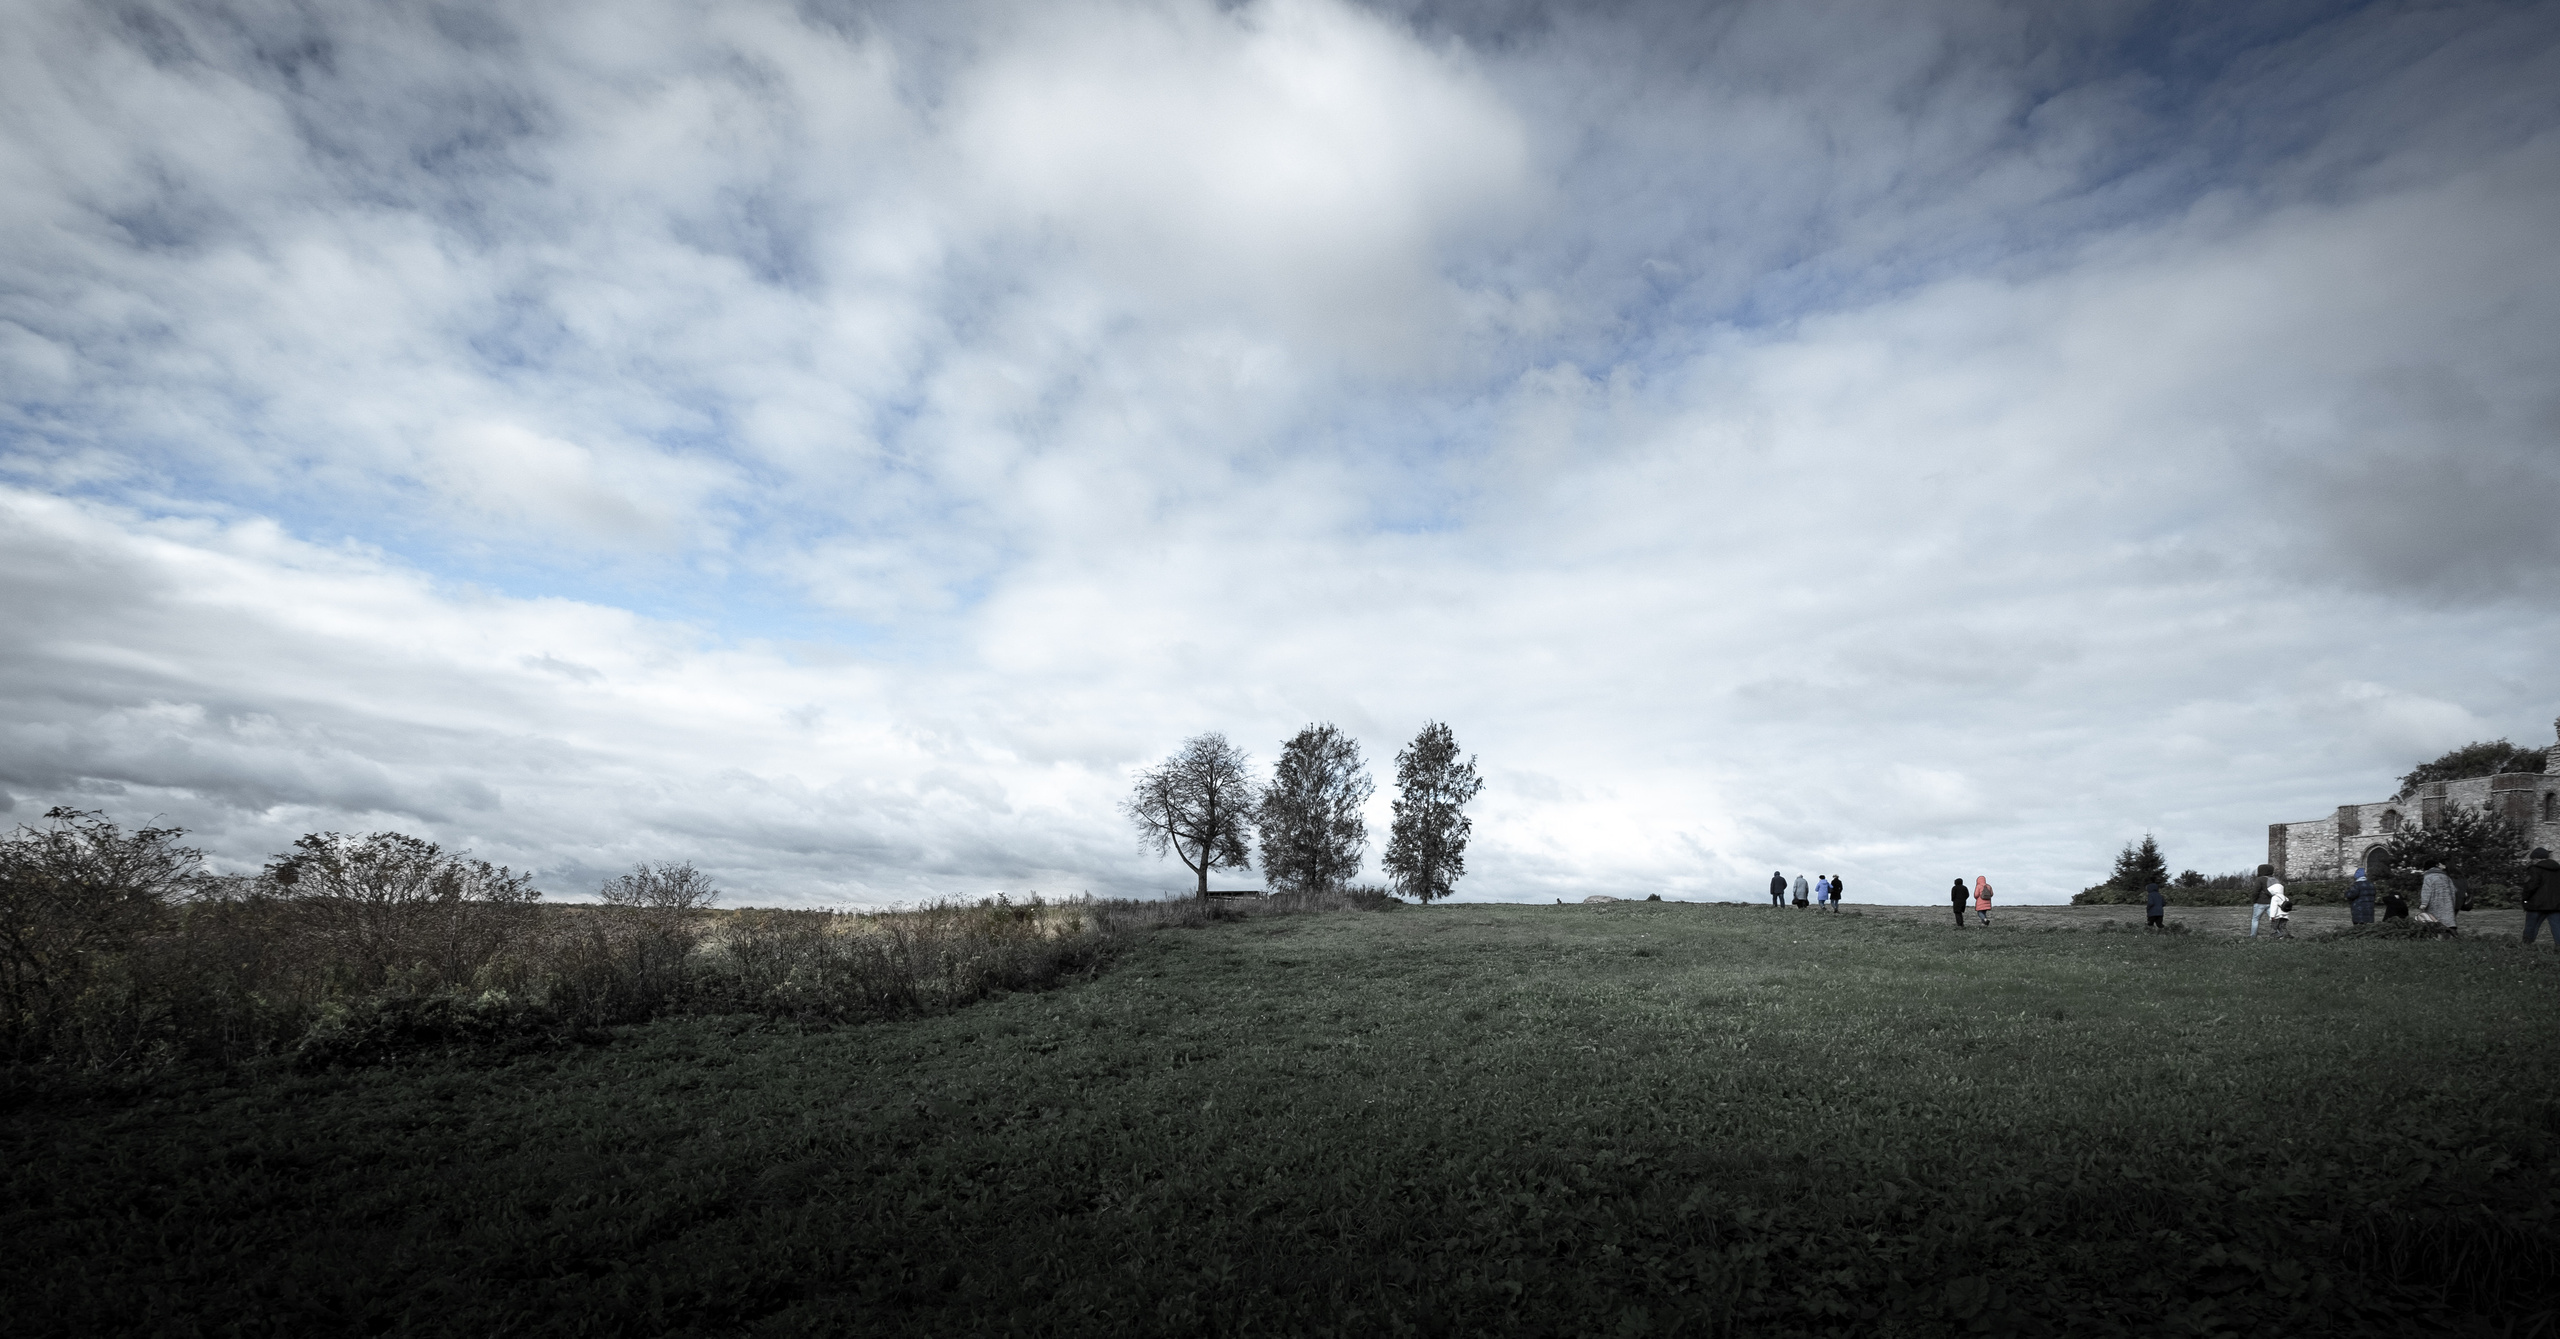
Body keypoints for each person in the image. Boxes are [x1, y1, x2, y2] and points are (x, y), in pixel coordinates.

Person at [2521, 848, 2560, 947]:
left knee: (2531, 926)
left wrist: (2525, 900)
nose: (2532, 861)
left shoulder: (2534, 869)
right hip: (2555, 904)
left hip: (2536, 904)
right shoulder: (2558, 869)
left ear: (2537, 859)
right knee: (2557, 927)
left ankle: (2526, 945)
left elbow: (2530, 887)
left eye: (2533, 859)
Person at [2419, 862, 2459, 928]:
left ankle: (2436, 937)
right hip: (2448, 905)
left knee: (2434, 924)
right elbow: (2454, 890)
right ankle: (2455, 937)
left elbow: (2426, 891)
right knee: (2448, 925)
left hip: (2434, 905)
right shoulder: (2446, 877)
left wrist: (2424, 904)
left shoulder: (2428, 877)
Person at [2249, 865, 2273, 938]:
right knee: (2274, 919)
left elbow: (2255, 891)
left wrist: (2254, 900)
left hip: (2260, 902)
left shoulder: (2260, 879)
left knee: (2255, 919)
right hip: (2271, 902)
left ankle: (2253, 936)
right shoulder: (2274, 879)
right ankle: (2278, 934)